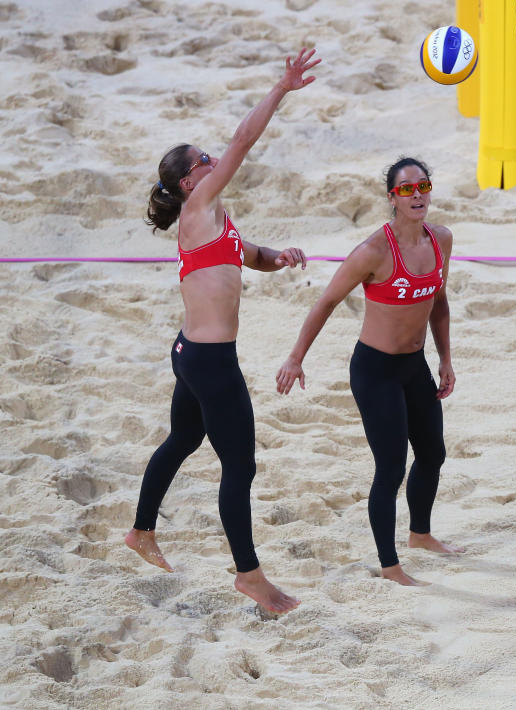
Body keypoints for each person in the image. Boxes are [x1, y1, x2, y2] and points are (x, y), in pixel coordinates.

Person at [125, 48, 322, 614]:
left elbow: (244, 254)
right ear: (191, 181)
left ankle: (141, 531)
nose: (217, 161)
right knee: (241, 467)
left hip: (191, 354)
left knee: (184, 440)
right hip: (210, 362)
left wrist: (276, 256)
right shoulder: (199, 208)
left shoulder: (217, 217)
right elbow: (243, 140)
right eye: (206, 160)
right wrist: (281, 89)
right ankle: (251, 578)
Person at [275, 157, 461, 586]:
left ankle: (420, 534)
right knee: (391, 468)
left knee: (433, 453)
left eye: (423, 186)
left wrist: (445, 358)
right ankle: (390, 565)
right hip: (375, 370)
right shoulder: (372, 251)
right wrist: (295, 357)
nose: (417, 195)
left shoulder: (442, 239)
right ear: (392, 198)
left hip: (415, 365)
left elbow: (440, 302)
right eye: (406, 189)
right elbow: (325, 302)